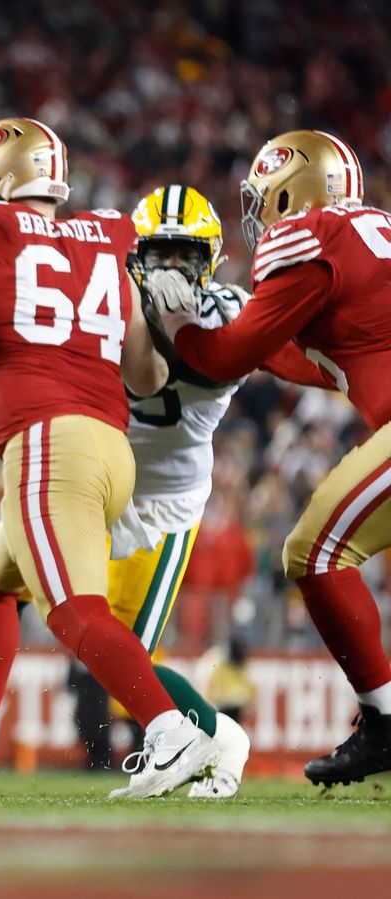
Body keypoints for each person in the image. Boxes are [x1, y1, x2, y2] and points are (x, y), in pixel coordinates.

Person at [0, 184, 253, 797]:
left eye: (186, 256)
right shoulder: (109, 290)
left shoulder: (226, 310)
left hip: (156, 505)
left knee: (117, 661)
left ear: (211, 261)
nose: (169, 267)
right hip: (82, 475)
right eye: (157, 253)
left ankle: (216, 735)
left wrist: (173, 314)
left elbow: (208, 359)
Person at [150, 129, 391, 787]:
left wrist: (180, 328)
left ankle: (385, 722)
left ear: (292, 190)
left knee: (313, 552)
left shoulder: (305, 233)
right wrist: (223, 328)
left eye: (265, 199)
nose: (261, 217)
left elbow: (227, 356)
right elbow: (315, 362)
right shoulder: (370, 233)